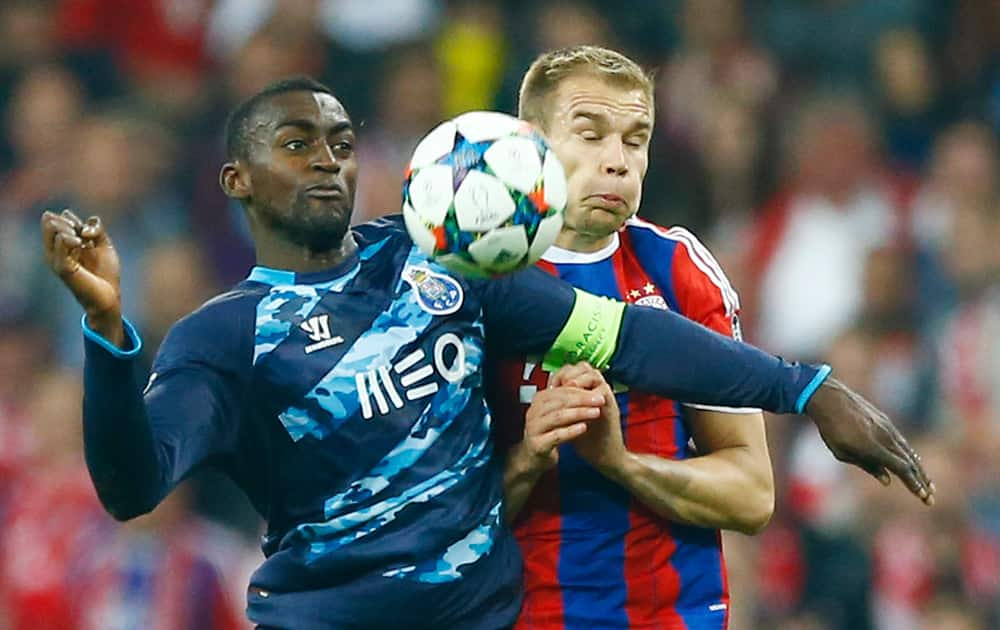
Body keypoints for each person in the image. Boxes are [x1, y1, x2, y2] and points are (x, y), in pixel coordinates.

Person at [40, 76, 931, 629]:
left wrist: (807, 388)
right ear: (236, 180)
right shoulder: (222, 337)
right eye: (297, 142)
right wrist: (111, 334)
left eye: (343, 145)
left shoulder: (446, 264)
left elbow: (629, 337)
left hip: (485, 618)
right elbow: (133, 484)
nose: (327, 160)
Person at [488, 46, 930, 629]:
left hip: (673, 616)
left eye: (636, 139)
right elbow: (430, 520)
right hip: (523, 615)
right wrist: (526, 459)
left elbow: (750, 496)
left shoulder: (676, 268)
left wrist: (622, 463)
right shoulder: (479, 284)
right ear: (531, 143)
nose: (618, 162)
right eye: (591, 135)